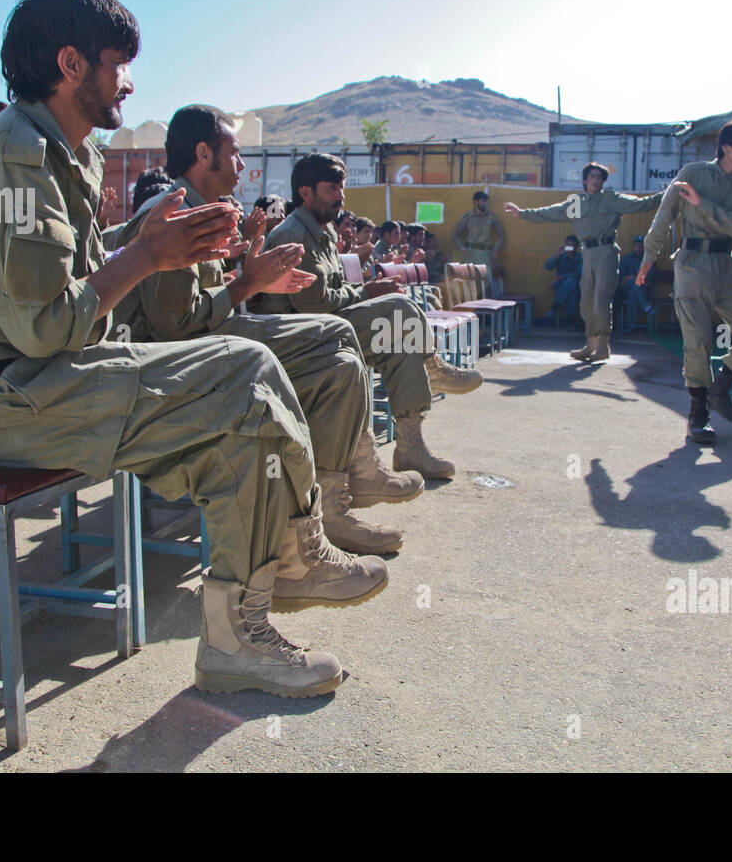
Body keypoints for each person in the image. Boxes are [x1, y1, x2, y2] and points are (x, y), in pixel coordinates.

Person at [0, 0, 386, 698]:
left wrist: (149, 244)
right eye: (117, 63)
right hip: (4, 401)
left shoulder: (61, 153)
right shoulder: (12, 157)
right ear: (71, 65)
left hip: (48, 378)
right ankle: (268, 587)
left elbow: (73, 293)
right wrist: (146, 257)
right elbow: (42, 326)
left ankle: (254, 607)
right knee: (241, 372)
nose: (128, 82)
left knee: (247, 378)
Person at [108, 105, 422, 555]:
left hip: (213, 336)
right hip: (177, 365)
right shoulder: (176, 215)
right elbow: (175, 328)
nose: (241, 166)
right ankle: (322, 516)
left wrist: (251, 281)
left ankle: (340, 491)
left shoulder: (198, 208)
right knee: (334, 356)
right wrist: (247, 284)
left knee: (339, 341)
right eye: (234, 154)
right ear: (203, 153)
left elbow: (203, 307)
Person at [257, 153, 482, 479]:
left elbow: (330, 297)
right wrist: (366, 292)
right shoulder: (295, 235)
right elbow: (314, 305)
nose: (341, 196)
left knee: (400, 345)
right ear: (305, 193)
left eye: (342, 188)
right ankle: (431, 367)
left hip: (327, 325)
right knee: (398, 309)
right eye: (332, 188)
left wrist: (365, 291)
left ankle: (410, 448)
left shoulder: (322, 232)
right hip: (301, 335)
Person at [639, 120, 732, 446]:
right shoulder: (693, 173)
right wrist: (648, 257)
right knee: (698, 342)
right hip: (692, 263)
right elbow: (664, 215)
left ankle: (719, 390)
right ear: (726, 146)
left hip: (727, 265)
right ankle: (699, 414)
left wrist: (702, 205)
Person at [507, 162, 661, 362]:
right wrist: (523, 213)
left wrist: (669, 193)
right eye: (592, 176)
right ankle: (590, 344)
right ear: (585, 180)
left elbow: (642, 203)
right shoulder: (578, 203)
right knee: (586, 300)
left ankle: (603, 346)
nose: (596, 180)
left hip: (606, 251)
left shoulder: (611, 200)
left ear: (603, 181)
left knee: (601, 300)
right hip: (587, 253)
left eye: (599, 177)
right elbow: (552, 212)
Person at [453, 190, 506, 294]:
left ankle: (485, 305)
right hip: (471, 253)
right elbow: (455, 235)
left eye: (486, 201)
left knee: (486, 280)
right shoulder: (468, 217)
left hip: (485, 254)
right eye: (483, 201)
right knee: (471, 281)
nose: (485, 203)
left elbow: (501, 234)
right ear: (475, 202)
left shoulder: (492, 217)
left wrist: (496, 250)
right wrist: (461, 247)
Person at [615, 235, 652, 331]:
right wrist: (636, 279)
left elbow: (649, 283)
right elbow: (622, 280)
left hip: (642, 290)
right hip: (624, 290)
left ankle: (631, 326)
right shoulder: (626, 259)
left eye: (641, 246)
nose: (639, 248)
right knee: (633, 282)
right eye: (637, 246)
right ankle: (645, 306)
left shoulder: (649, 261)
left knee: (633, 293)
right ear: (633, 246)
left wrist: (634, 279)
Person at [544, 235, 583, 325]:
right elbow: (547, 266)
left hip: (576, 286)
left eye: (572, 245)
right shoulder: (561, 256)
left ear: (576, 247)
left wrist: (559, 277)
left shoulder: (580, 258)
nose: (569, 247)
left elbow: (579, 273)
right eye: (568, 245)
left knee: (572, 283)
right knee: (571, 288)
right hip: (560, 286)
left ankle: (555, 307)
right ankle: (571, 320)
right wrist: (557, 255)